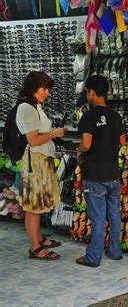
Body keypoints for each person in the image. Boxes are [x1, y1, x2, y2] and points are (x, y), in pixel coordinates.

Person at [76, 75, 126, 267]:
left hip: (95, 174)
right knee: (114, 215)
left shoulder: (88, 116)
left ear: (92, 92)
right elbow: (122, 142)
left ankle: (93, 257)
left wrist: (79, 150)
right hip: (113, 174)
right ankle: (115, 251)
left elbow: (86, 144)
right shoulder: (115, 116)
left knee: (97, 217)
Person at [16, 71, 66, 260]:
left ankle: (38, 239)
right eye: (44, 89)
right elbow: (34, 140)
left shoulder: (34, 106)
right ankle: (35, 247)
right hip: (35, 161)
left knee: (38, 204)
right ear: (33, 88)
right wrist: (55, 133)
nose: (47, 93)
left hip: (41, 159)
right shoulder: (27, 108)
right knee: (34, 206)